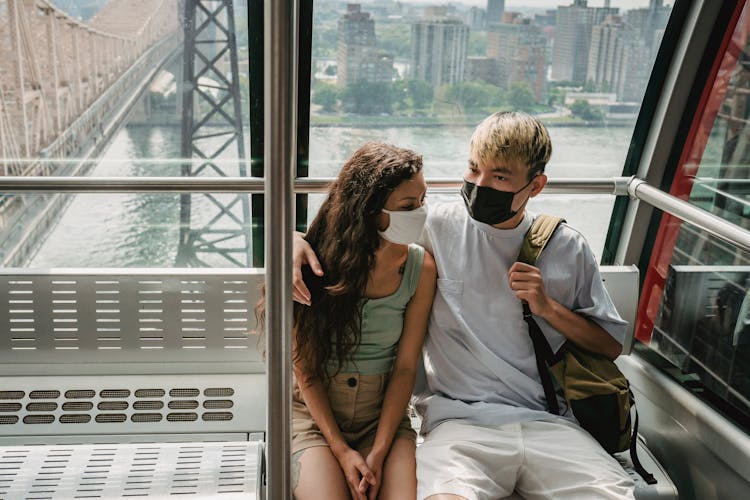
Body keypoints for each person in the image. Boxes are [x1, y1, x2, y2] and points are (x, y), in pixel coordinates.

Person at [293, 112, 635, 499]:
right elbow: (356, 230)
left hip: (552, 423)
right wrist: (293, 241)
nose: (479, 185)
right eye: (474, 169)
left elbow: (610, 345)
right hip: (459, 423)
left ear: (536, 185)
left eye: (500, 177)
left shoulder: (566, 247)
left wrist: (548, 307)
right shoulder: (435, 226)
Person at [261, 142, 436, 500]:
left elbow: (405, 369)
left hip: (382, 418)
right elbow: (305, 371)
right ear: (371, 211)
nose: (420, 212)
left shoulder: (420, 270)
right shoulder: (312, 266)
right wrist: (342, 452)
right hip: (314, 418)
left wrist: (379, 451)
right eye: (407, 206)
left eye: (422, 200)